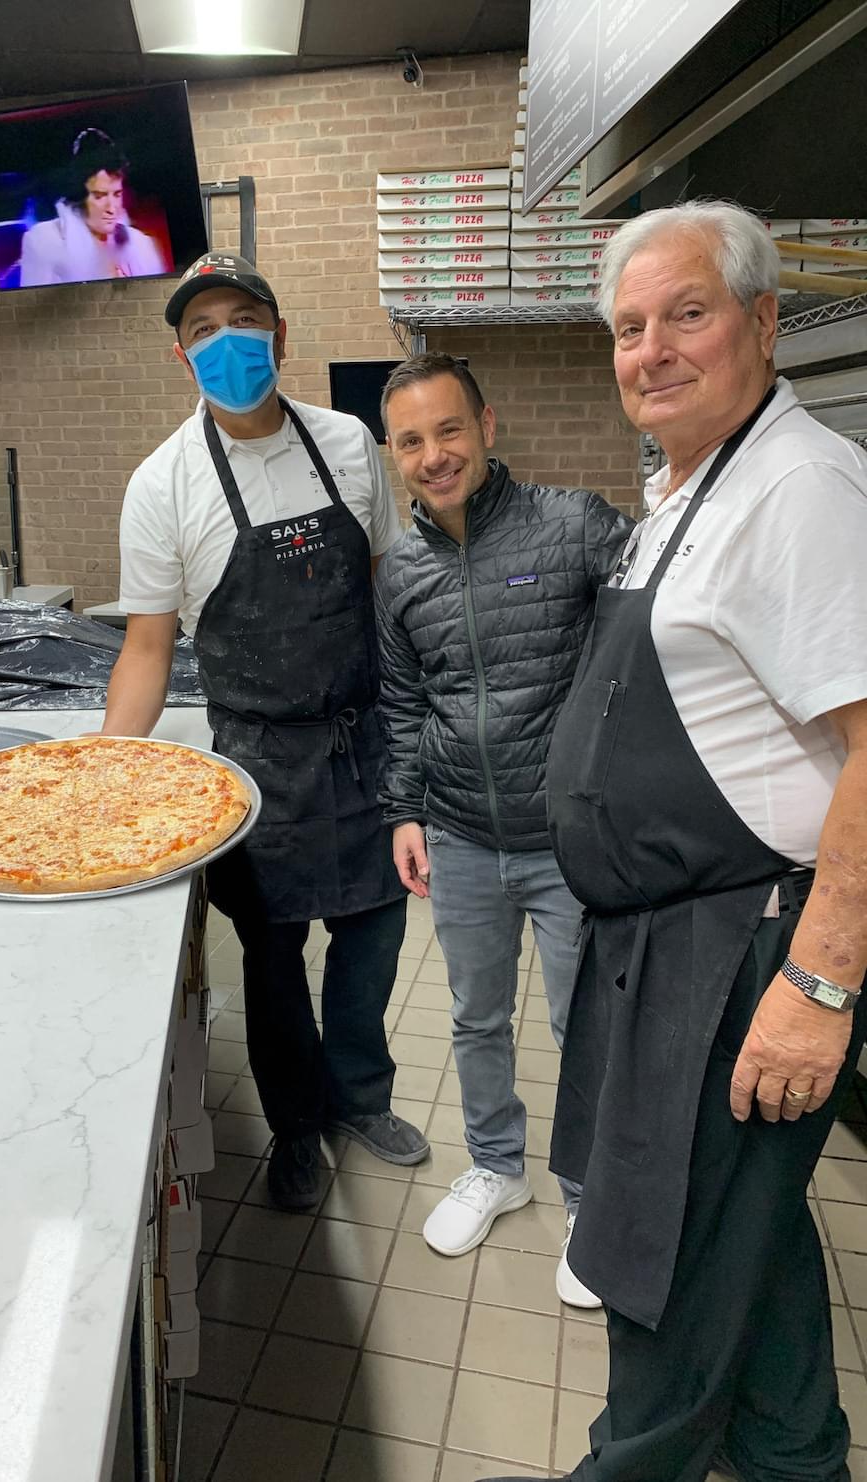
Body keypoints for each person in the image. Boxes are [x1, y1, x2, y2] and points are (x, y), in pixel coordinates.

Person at [480, 200, 867, 1482]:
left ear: (762, 322)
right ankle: (800, 1461)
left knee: (664, 1283)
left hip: (744, 956)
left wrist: (818, 987)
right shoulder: (691, 487)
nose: (649, 350)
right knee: (744, 1248)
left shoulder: (801, 489)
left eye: (685, 315)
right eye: (628, 327)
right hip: (669, 942)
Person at [103, 251, 428, 1211]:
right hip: (257, 768)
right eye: (202, 330)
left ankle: (360, 1097)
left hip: (365, 745)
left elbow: (388, 590)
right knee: (274, 963)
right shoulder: (162, 484)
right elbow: (148, 650)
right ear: (181, 356)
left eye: (243, 320)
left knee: (372, 943)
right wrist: (103, 772)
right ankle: (295, 1125)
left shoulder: (347, 442)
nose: (227, 342)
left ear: (280, 334)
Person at [376, 353, 633, 1300]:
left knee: (582, 1024)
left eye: (449, 429)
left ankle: (590, 1198)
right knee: (475, 1015)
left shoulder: (574, 526)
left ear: (486, 426)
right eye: (412, 440)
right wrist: (405, 811)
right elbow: (402, 702)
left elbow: (658, 642)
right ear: (394, 454)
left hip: (567, 842)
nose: (435, 455)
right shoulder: (401, 572)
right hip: (460, 834)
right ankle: (495, 1165)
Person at [18, 127, 166, 286]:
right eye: (100, 196)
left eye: (117, 194)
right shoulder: (43, 241)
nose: (112, 208)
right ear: (79, 196)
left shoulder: (141, 244)